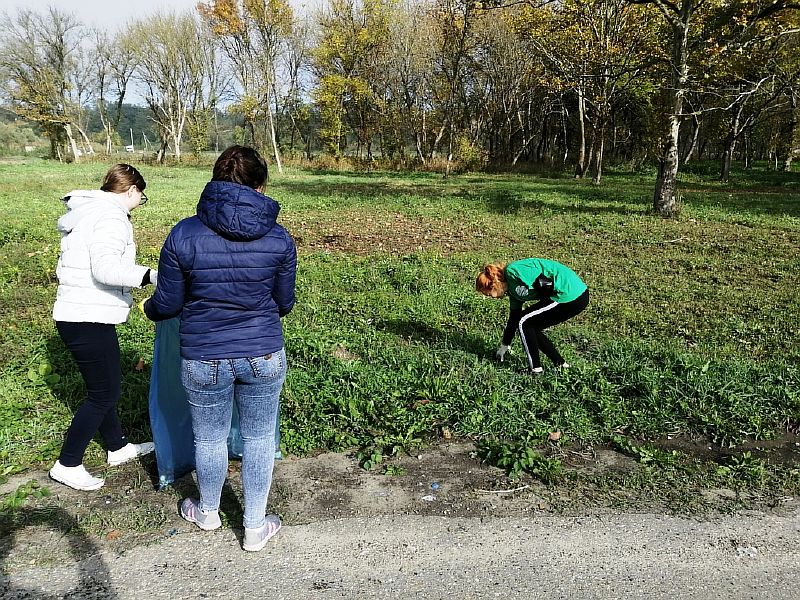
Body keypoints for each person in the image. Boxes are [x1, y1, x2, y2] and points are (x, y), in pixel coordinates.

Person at [143, 145, 297, 552]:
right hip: (262, 352)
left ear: (213, 181)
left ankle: (208, 512)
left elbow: (168, 305)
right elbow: (284, 303)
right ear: (261, 184)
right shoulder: (279, 237)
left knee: (208, 439)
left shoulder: (183, 233)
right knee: (260, 438)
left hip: (203, 356)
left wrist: (148, 307)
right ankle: (254, 527)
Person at [50, 164, 157, 492]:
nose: (140, 202)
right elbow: (107, 269)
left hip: (82, 313)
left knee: (104, 386)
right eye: (142, 195)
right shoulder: (111, 217)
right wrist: (152, 276)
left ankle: (117, 446)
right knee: (104, 393)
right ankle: (67, 463)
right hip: (86, 315)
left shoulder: (89, 211)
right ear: (131, 190)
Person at [476, 258, 589, 374]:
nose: (489, 297)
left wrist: (542, 306)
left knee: (525, 322)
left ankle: (535, 369)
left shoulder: (513, 271)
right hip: (568, 296)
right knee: (530, 325)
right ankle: (560, 364)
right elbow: (513, 319)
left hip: (569, 294)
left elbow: (545, 284)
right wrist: (504, 345)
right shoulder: (513, 292)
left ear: (492, 285)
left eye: (487, 294)